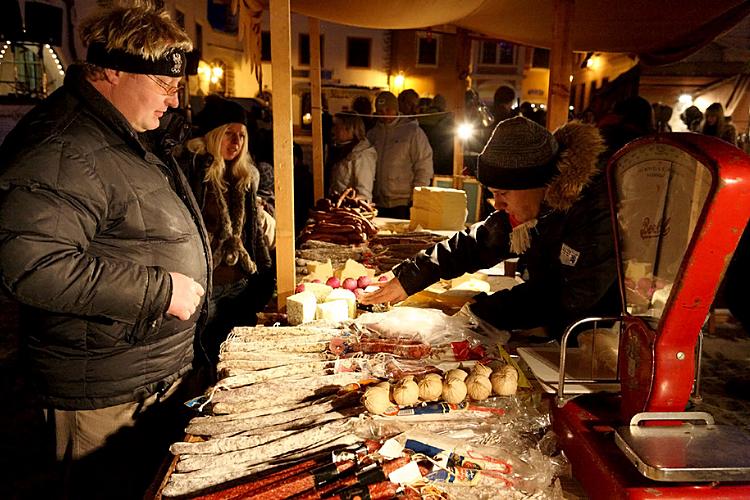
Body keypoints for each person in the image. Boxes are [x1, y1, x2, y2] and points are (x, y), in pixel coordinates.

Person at [0, 4, 209, 498]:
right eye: (164, 85)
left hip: (146, 375)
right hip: (104, 394)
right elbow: (30, 264)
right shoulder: (64, 144)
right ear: (113, 70)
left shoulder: (122, 134)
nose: (174, 101)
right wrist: (160, 292)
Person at [361, 116, 620, 339]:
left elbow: (568, 298)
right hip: (556, 334)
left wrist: (478, 314)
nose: (497, 204)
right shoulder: (535, 203)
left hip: (593, 347)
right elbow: (477, 243)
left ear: (537, 183)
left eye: (503, 192)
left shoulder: (593, 208)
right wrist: (408, 278)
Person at [179, 95, 275, 365]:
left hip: (240, 283)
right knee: (203, 357)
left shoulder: (244, 176)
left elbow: (253, 230)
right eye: (229, 134)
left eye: (242, 136)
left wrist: (265, 272)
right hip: (206, 286)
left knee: (233, 358)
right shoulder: (193, 171)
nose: (237, 142)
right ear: (213, 135)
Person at [367, 91, 433, 219]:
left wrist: (417, 197)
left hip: (403, 203)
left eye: (388, 110)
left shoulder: (412, 132)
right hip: (378, 202)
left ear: (396, 109)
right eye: (380, 112)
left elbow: (424, 165)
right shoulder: (373, 134)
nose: (384, 114)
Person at [327, 112, 377, 201]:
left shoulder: (362, 154)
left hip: (350, 209)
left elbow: (364, 192)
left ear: (350, 129)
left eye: (337, 127)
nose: (333, 131)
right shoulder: (340, 151)